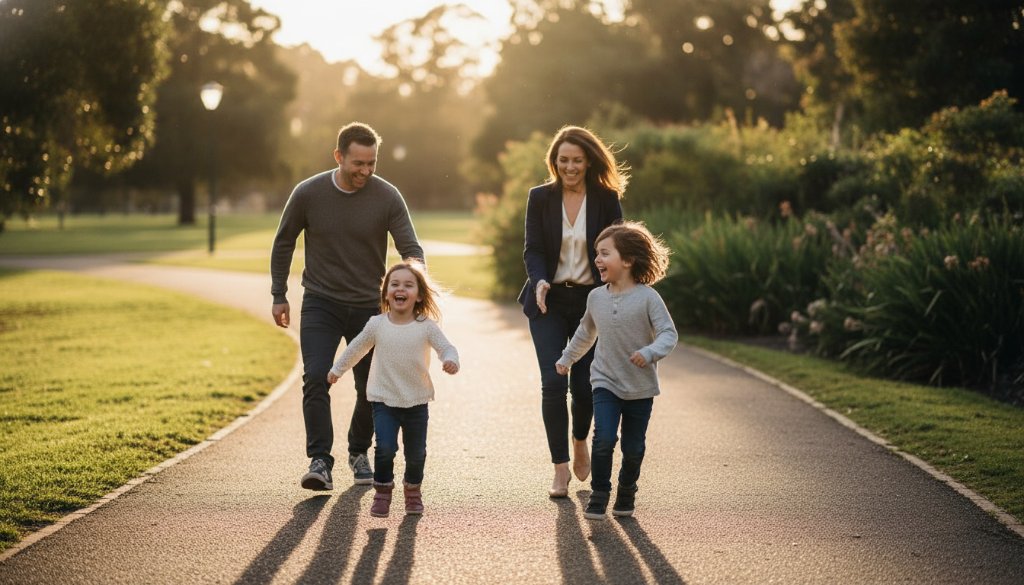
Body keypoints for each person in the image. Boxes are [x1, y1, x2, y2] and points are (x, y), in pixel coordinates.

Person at [271, 122, 424, 491]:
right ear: (338, 156)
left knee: (371, 386)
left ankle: (358, 452)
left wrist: (413, 290)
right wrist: (279, 293)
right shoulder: (308, 193)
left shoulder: (387, 196)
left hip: (371, 310)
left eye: (372, 163)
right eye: (358, 163)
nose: (365, 171)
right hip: (321, 303)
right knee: (316, 376)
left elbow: (411, 250)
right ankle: (320, 460)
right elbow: (284, 242)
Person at [518, 125, 627, 498]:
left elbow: (616, 248)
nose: (569, 167)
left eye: (577, 160)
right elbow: (532, 249)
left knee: (584, 387)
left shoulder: (606, 198)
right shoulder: (540, 197)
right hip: (548, 302)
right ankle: (560, 468)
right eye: (563, 160)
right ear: (554, 161)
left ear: (588, 161)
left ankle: (580, 439)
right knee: (553, 382)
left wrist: (614, 292)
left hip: (591, 303)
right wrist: (539, 281)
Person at [555, 220, 678, 520]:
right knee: (604, 439)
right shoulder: (596, 297)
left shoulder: (648, 298)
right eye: (597, 253)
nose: (597, 259)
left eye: (605, 253)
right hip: (605, 381)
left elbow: (668, 334)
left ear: (627, 260)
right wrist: (567, 358)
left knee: (634, 447)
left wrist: (649, 353)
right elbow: (585, 334)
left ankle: (626, 491)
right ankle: (599, 494)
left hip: (640, 386)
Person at [327, 261, 459, 517]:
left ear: (419, 295)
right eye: (395, 284)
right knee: (385, 448)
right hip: (384, 400)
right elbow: (356, 348)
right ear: (386, 292)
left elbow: (447, 347)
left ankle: (412, 493)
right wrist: (337, 370)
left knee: (416, 454)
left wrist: (450, 360)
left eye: (408, 285)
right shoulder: (377, 324)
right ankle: (382, 492)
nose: (401, 289)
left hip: (416, 401)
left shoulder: (426, 326)